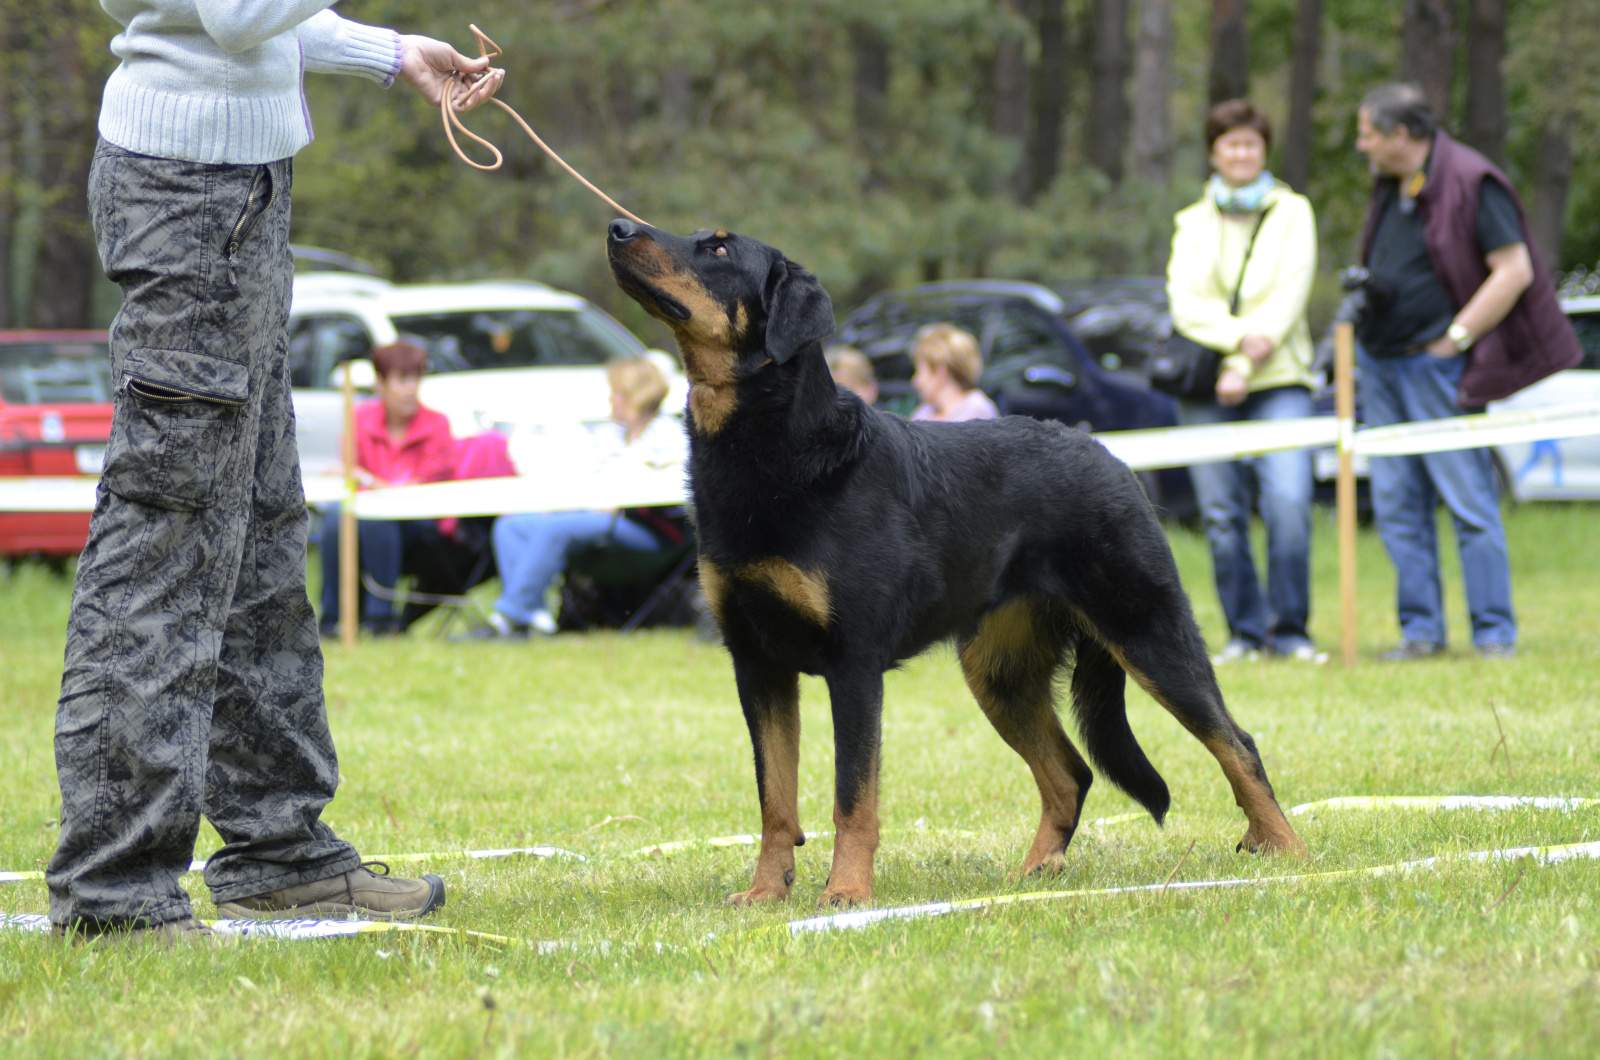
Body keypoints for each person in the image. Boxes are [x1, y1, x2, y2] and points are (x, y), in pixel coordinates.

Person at [49, 3, 505, 941]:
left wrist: (387, 54)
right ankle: (114, 892)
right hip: (188, 196)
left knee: (258, 541)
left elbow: (251, 19)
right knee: (164, 548)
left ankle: (280, 856)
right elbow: (236, 12)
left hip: (236, 187)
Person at [1353, 83, 1581, 661]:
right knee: (1399, 504)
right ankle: (1421, 633)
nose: (1362, 145)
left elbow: (1514, 270)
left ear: (1400, 135)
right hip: (1380, 362)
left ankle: (1493, 635)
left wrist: (1455, 339)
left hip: (1434, 368)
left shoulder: (1471, 180)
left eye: (1368, 133)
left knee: (1468, 500)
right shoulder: (1391, 184)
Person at [1165, 99, 1323, 665]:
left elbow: (1289, 294)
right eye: (1230, 143)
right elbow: (1188, 307)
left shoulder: (1293, 211)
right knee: (1222, 514)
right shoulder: (1192, 221)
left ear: (1264, 150)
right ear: (1213, 151)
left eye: (1250, 144)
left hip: (1281, 378)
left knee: (1288, 502)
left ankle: (1292, 629)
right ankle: (1245, 632)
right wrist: (1237, 348)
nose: (1240, 153)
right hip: (1209, 388)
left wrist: (1246, 364)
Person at [469, 356, 689, 639]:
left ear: (631, 398)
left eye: (616, 394)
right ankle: (533, 615)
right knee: (511, 526)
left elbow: (673, 494)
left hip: (650, 532)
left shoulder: (670, 437)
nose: (611, 400)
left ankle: (509, 615)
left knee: (556, 529)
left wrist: (616, 503)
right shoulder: (609, 435)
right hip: (593, 516)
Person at [318, 342, 456, 636]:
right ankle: (332, 617)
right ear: (380, 383)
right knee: (335, 517)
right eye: (402, 380)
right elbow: (348, 474)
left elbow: (421, 488)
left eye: (415, 379)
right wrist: (367, 481)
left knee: (374, 520)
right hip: (367, 522)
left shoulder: (437, 425)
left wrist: (368, 481)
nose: (410, 389)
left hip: (422, 530)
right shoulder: (360, 419)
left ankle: (381, 618)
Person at [909, 324, 999, 422]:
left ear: (940, 371)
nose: (916, 381)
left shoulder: (977, 410)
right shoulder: (924, 413)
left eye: (920, 371)